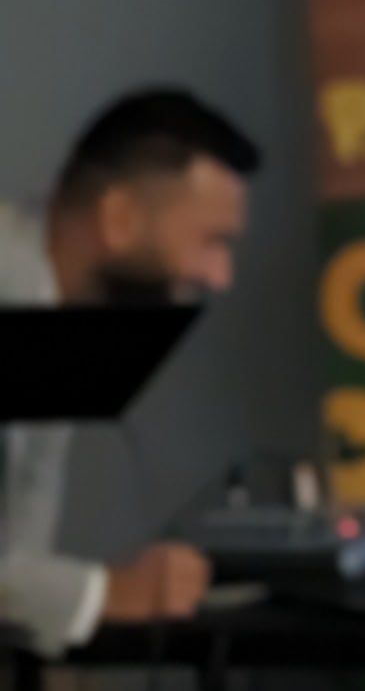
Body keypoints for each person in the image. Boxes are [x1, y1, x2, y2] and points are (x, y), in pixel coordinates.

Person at [0, 85, 258, 647]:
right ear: (118, 218)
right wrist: (108, 592)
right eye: (211, 241)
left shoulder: (52, 310)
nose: (220, 277)